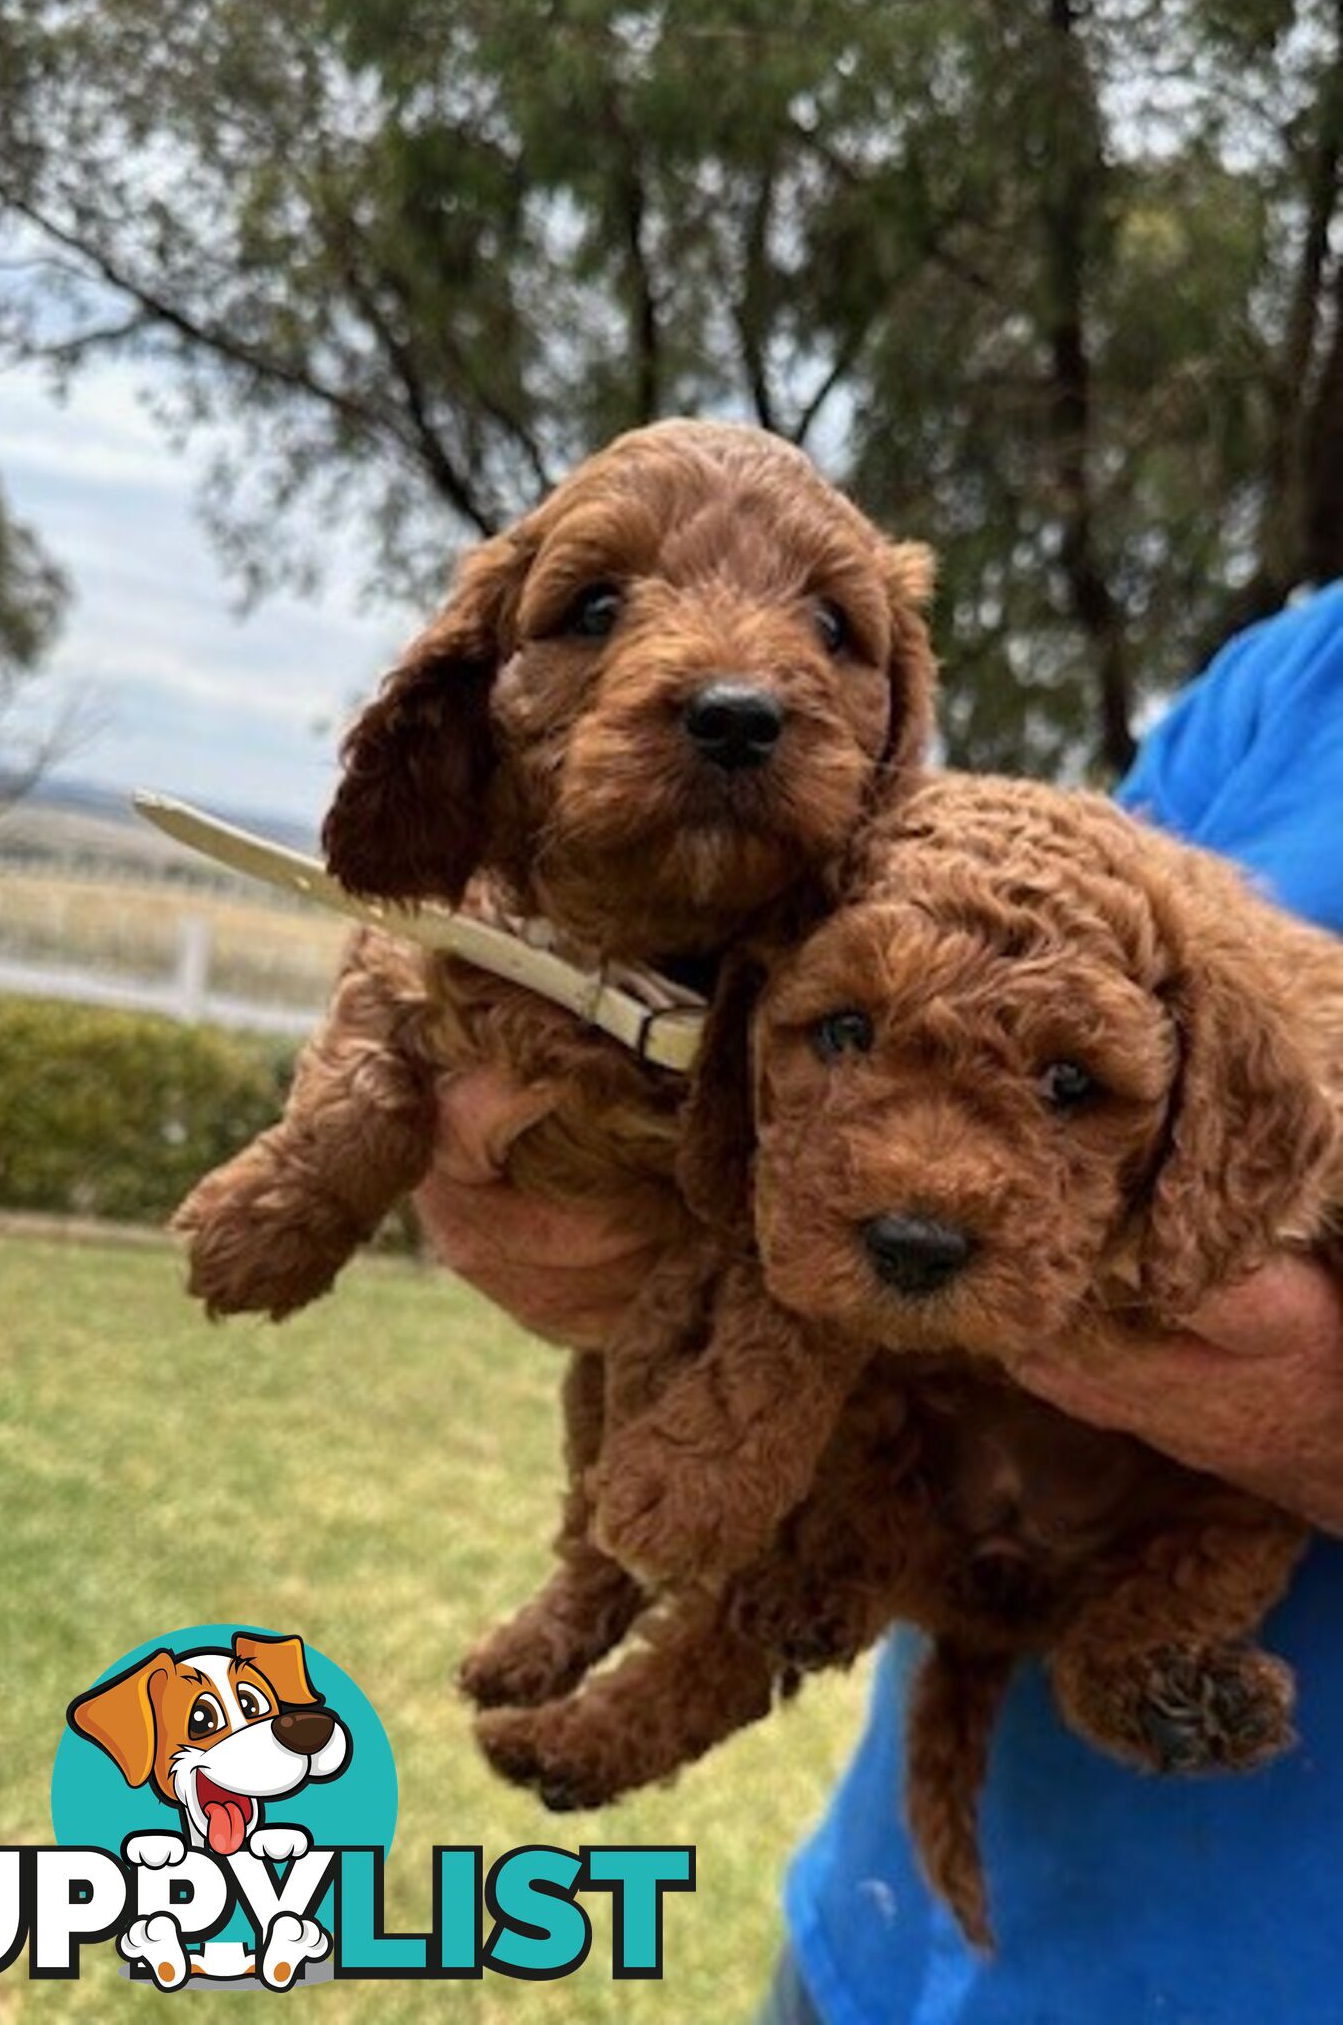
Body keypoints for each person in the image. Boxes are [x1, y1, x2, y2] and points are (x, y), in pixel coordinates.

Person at [415, 580, 1343, 2025]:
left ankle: (1127, 1661)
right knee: (825, 1537)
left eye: (1063, 1089)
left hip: (1262, 1976)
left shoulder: (1272, 1052)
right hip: (887, 1952)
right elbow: (1001, 918)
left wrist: (1258, 1377)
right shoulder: (1302, 661)